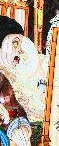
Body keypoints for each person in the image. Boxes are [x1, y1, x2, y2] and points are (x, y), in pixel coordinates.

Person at [0, 16, 32, 146]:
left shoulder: (2, 80)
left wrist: (19, 128)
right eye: (15, 43)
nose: (20, 51)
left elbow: (13, 109)